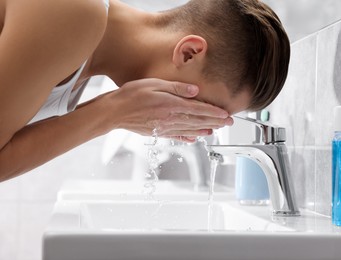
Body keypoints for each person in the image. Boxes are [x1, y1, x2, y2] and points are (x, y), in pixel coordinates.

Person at [0, 0, 290, 182]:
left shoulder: (83, 59)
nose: (185, 121)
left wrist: (111, 111)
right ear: (189, 53)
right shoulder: (75, 13)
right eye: (200, 107)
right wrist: (111, 112)